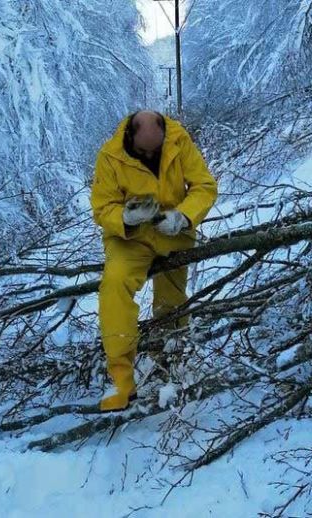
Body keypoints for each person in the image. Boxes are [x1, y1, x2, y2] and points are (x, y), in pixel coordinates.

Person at [90, 111, 218, 411]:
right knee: (115, 286)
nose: (149, 155)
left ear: (164, 135)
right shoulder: (110, 155)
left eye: (154, 150)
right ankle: (121, 381)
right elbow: (102, 207)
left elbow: (204, 187)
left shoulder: (179, 142)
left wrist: (183, 216)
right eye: (143, 150)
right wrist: (124, 217)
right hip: (129, 238)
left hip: (173, 232)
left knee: (171, 301)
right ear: (129, 136)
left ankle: (170, 361)